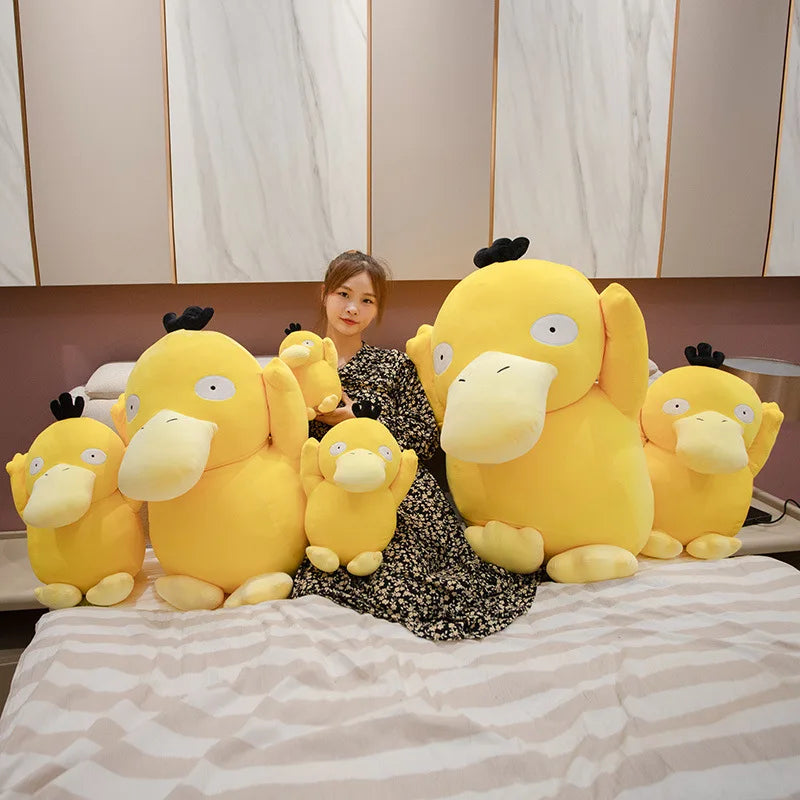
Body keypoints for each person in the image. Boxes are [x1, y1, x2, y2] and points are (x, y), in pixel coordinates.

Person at [290, 250, 541, 640]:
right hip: (329, 495)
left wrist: (362, 421)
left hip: (399, 489)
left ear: (377, 309)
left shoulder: (393, 365)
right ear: (325, 294)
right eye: (344, 294)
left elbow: (425, 438)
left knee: (418, 572)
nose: (353, 308)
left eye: (367, 300)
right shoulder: (297, 368)